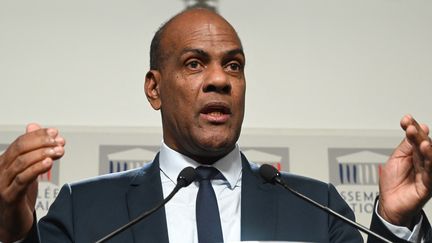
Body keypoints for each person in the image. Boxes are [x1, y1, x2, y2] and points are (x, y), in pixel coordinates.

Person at [0, 7, 431, 243]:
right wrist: (11, 231)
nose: (221, 79)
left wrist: (396, 221)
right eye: (194, 63)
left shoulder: (314, 207)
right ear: (155, 89)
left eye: (234, 65)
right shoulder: (84, 210)